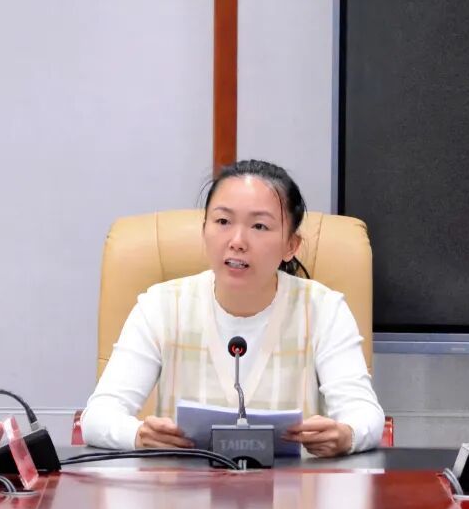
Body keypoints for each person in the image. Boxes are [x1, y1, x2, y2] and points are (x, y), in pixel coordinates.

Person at [81, 160, 384, 457]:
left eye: (259, 226)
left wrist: (347, 435)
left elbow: (364, 414)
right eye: (223, 222)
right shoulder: (161, 306)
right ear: (204, 230)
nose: (237, 241)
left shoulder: (323, 309)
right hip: (182, 488)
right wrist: (138, 435)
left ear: (291, 245)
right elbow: (97, 417)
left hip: (296, 488)